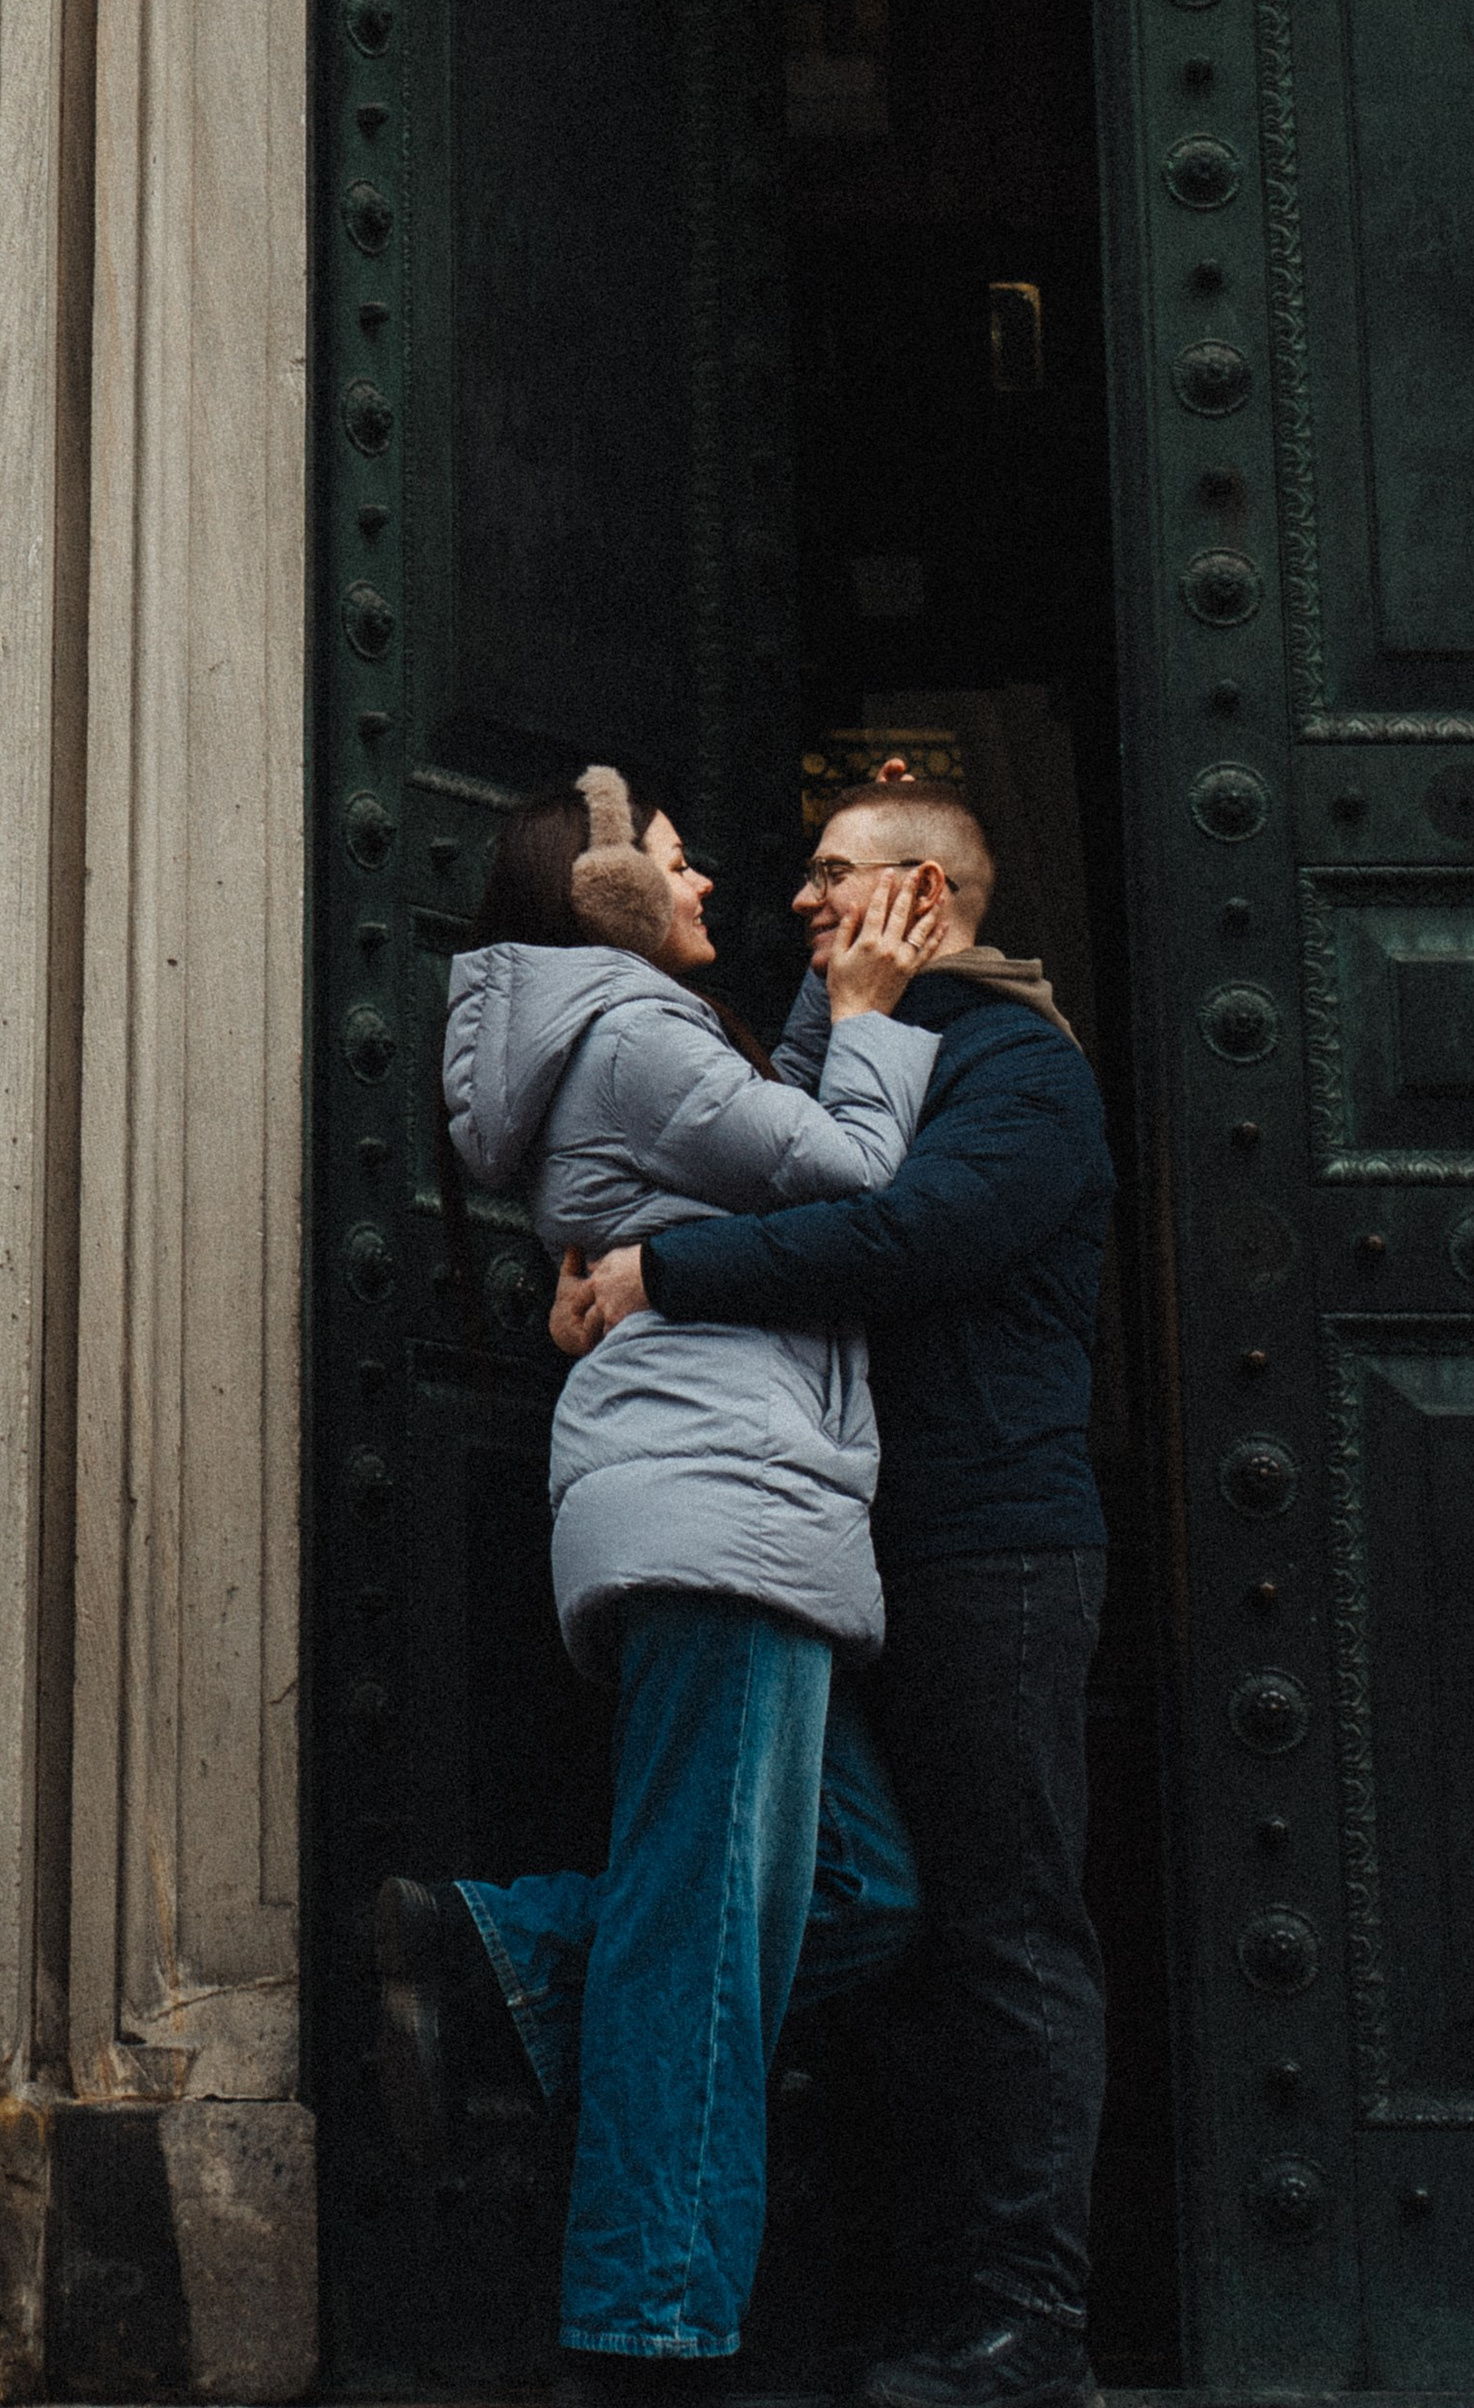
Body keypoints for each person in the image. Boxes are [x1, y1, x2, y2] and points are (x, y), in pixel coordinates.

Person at [376, 764, 944, 2403]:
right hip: (724, 1512)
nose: (713, 893)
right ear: (602, 897)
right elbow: (849, 1181)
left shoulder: (634, 1042)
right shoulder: (633, 1036)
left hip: (736, 1502)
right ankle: (650, 2334)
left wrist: (827, 1024)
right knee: (701, 1941)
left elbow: (770, 1162)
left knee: (863, 1893)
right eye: (682, 868)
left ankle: (506, 1954)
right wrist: (878, 1006)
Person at [557, 777, 1116, 2408]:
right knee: (857, 1901)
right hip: (855, 1549)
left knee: (1007, 1935)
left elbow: (902, 1237)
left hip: (993, 1549)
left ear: (924, 897)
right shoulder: (830, 1055)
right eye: (800, 877)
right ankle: (910, 2290)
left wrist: (663, 1274)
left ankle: (1030, 2330)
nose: (804, 901)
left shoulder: (1018, 1066)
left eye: (834, 877)